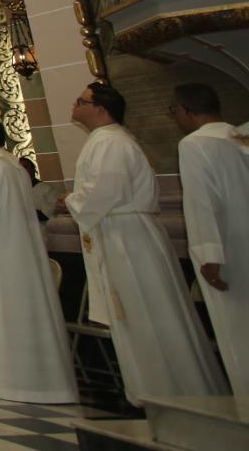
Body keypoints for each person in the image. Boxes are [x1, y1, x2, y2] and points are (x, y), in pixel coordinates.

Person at [62, 81, 227, 404]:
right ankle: (154, 392)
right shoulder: (106, 141)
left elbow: (105, 192)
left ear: (100, 108)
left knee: (149, 318)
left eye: (81, 101)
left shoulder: (111, 143)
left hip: (129, 242)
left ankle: (173, 393)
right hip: (121, 234)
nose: (74, 106)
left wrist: (69, 199)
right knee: (138, 319)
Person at [0, 118, 77, 403]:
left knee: (2, 310)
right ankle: (36, 377)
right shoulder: (15, 167)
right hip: (21, 250)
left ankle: (11, 380)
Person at [172, 82, 249, 394]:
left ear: (185, 110)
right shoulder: (241, 137)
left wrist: (209, 255)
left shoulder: (194, 144)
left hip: (229, 248)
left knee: (238, 329)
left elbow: (202, 201)